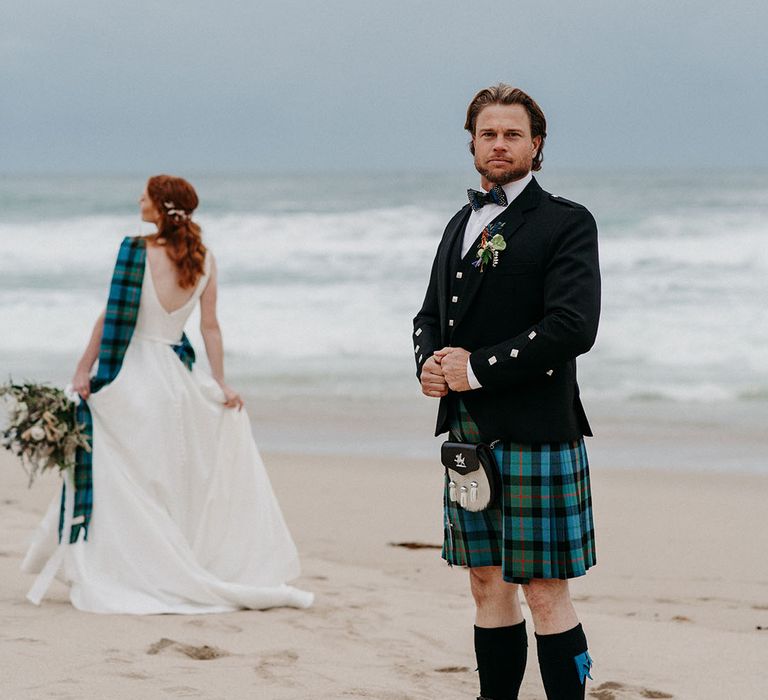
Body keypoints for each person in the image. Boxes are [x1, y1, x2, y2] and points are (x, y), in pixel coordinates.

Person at [22, 174, 313, 614]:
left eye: (146, 195)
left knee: (123, 478)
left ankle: (132, 566)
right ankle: (169, 561)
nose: (139, 199)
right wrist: (218, 382)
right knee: (162, 483)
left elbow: (110, 317)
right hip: (177, 383)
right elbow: (210, 327)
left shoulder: (135, 251)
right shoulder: (205, 259)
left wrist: (84, 369)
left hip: (133, 377)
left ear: (160, 207)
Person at [413, 85, 600, 699]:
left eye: (513, 134)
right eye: (488, 133)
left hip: (536, 428)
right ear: (472, 142)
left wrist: (476, 368)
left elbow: (573, 327)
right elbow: (429, 317)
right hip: (468, 433)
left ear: (536, 145)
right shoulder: (459, 222)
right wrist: (429, 367)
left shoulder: (566, 222)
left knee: (545, 588)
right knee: (486, 583)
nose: (499, 144)